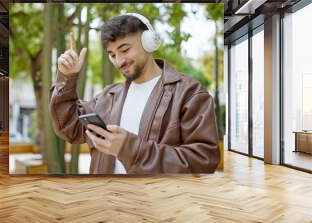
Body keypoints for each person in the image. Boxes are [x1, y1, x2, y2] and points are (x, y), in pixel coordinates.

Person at [49, 13, 220, 174]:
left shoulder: (189, 94)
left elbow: (204, 161)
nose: (119, 61)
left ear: (149, 42)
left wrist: (131, 149)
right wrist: (67, 77)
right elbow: (70, 127)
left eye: (125, 50)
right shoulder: (108, 96)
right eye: (112, 55)